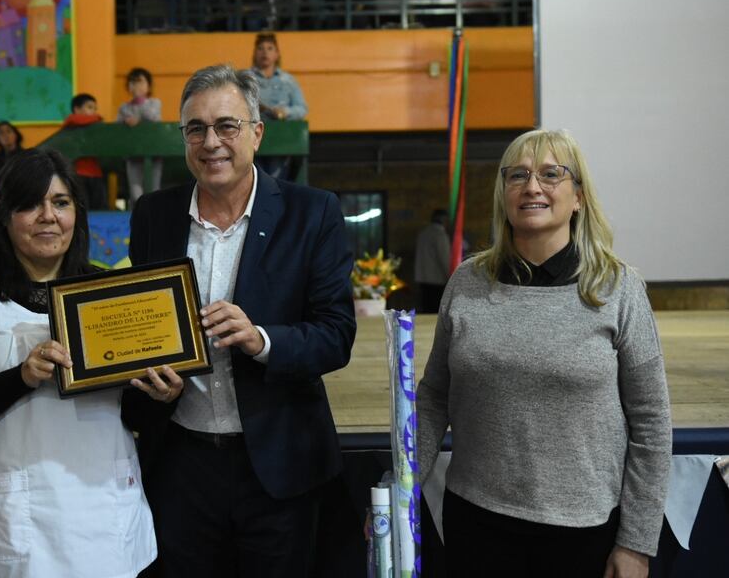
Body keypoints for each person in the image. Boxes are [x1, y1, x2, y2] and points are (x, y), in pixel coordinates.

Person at [121, 64, 356, 577]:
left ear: (257, 132)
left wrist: (262, 340)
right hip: (180, 461)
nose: (211, 142)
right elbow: (142, 327)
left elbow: (336, 334)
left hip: (278, 464)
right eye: (196, 129)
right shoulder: (153, 215)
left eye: (227, 125)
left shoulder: (311, 212)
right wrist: (153, 379)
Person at [416, 130, 672, 577]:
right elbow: (434, 397)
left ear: (579, 197)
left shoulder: (618, 288)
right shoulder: (466, 282)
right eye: (518, 175)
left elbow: (651, 423)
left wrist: (636, 542)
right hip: (475, 524)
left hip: (584, 534)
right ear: (504, 194)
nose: (532, 186)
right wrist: (401, 490)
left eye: (551, 174)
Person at [0, 149, 160, 576]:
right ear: (4, 215)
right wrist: (21, 377)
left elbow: (133, 414)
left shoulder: (109, 293)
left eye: (61, 202)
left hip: (101, 513)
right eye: (31, 204)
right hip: (10, 522)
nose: (49, 217)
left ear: (77, 213)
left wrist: (160, 396)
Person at [248, 33, 307, 180]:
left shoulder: (288, 80)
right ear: (255, 53)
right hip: (252, 138)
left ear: (277, 54)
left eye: (270, 48)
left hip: (280, 139)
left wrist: (284, 112)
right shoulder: (245, 78)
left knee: (275, 180)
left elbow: (302, 109)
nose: (265, 52)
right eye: (260, 48)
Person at [118, 67, 162, 205]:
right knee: (135, 191)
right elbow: (116, 128)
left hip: (153, 153)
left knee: (154, 189)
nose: (136, 85)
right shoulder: (124, 107)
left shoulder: (154, 103)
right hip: (133, 154)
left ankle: (154, 215)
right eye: (133, 82)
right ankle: (138, 214)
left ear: (149, 86)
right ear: (128, 86)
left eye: (140, 81)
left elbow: (153, 116)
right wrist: (124, 121)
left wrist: (140, 102)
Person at [61, 93, 108, 210]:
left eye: (95, 109)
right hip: (79, 173)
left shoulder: (94, 127)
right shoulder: (71, 122)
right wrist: (97, 118)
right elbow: (75, 119)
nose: (94, 112)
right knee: (82, 207)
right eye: (90, 107)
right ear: (77, 109)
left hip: (95, 173)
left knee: (100, 207)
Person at [414, 208, 451, 313]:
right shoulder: (440, 235)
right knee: (435, 312)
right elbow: (444, 259)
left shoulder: (423, 233)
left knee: (426, 309)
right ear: (444, 220)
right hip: (437, 281)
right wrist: (450, 277)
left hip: (423, 279)